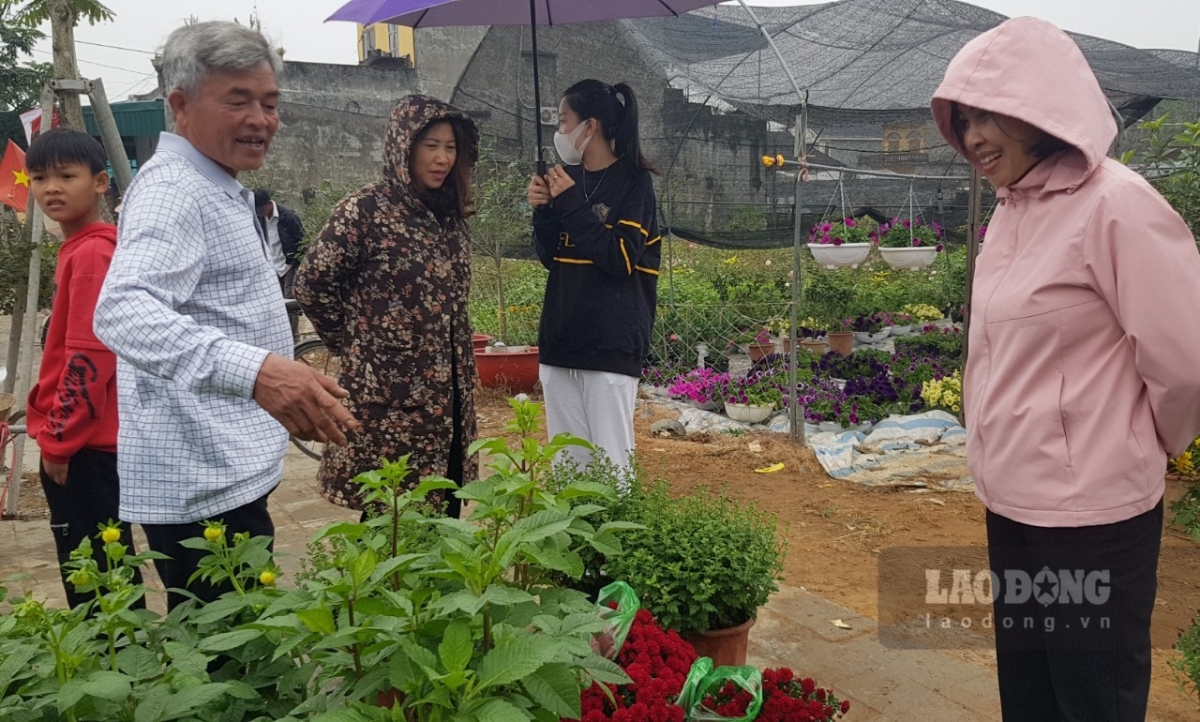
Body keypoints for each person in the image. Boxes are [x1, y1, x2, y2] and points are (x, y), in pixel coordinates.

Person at [932, 17, 1200, 721]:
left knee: (1091, 699)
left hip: (1093, 517)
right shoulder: (1012, 212)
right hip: (1014, 500)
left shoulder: (1116, 206)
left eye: (990, 114)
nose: (974, 136)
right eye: (964, 118)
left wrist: (1146, 446)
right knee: (1031, 695)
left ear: (1041, 112)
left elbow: (1185, 358)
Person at [93, 21, 360, 610]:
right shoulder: (175, 190)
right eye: (237, 100)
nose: (260, 120)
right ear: (181, 104)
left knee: (243, 655)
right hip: (201, 492)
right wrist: (261, 372)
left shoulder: (213, 184)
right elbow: (123, 311)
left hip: (221, 472)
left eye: (269, 103)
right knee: (234, 669)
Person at [294, 95, 478, 518]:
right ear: (403, 145)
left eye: (450, 147)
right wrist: (354, 342)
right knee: (390, 515)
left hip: (447, 397)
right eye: (430, 145)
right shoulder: (366, 211)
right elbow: (311, 283)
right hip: (389, 398)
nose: (441, 158)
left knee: (443, 506)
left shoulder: (450, 218)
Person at [25, 128, 141, 607]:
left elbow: (90, 358)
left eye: (66, 176)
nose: (51, 188)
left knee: (95, 575)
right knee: (104, 565)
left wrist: (58, 440)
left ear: (99, 182)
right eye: (39, 178)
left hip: (87, 444)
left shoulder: (93, 252)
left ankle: (112, 667)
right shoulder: (80, 247)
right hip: (90, 440)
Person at [526, 80, 659, 478]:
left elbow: (619, 258)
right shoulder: (565, 179)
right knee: (569, 468)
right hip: (561, 340)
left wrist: (569, 204)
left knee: (612, 466)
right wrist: (545, 211)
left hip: (610, 344)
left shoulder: (634, 182)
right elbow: (553, 257)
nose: (560, 132)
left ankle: (618, 540)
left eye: (564, 121)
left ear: (591, 126)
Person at [254, 188, 305, 336]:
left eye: (261, 209)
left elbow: (301, 240)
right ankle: (281, 334)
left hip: (289, 265)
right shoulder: (259, 219)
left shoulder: (288, 217)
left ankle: (293, 338)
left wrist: (298, 263)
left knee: (290, 303)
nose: (260, 212)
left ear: (269, 204)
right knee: (276, 302)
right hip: (273, 266)